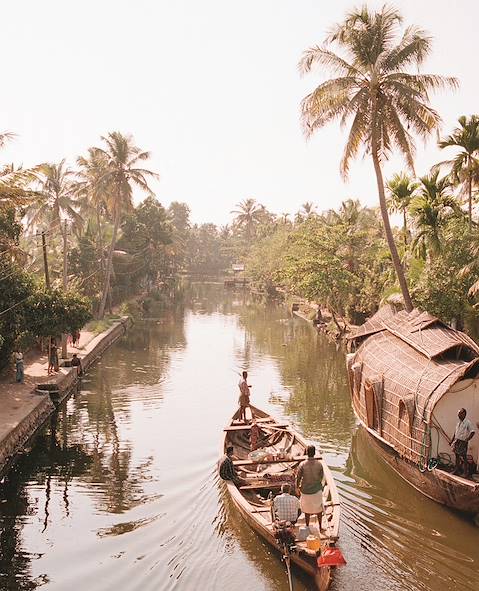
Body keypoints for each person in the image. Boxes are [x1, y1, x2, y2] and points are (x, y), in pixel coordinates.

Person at [296, 444, 324, 531]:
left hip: (305, 491)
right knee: (319, 510)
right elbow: (321, 477)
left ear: (306, 453)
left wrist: (297, 487)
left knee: (306, 510)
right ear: (314, 453)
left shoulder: (302, 464)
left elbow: (298, 478)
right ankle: (320, 527)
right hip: (317, 490)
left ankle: (307, 526)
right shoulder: (319, 464)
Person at [450, 408, 475, 476]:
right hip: (457, 441)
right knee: (457, 456)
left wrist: (467, 439)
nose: (458, 415)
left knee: (464, 457)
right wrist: (452, 441)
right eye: (458, 413)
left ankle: (465, 472)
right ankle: (456, 470)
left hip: (463, 441)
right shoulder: (458, 422)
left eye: (460, 413)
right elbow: (455, 433)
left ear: (464, 414)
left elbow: (472, 431)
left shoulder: (467, 422)